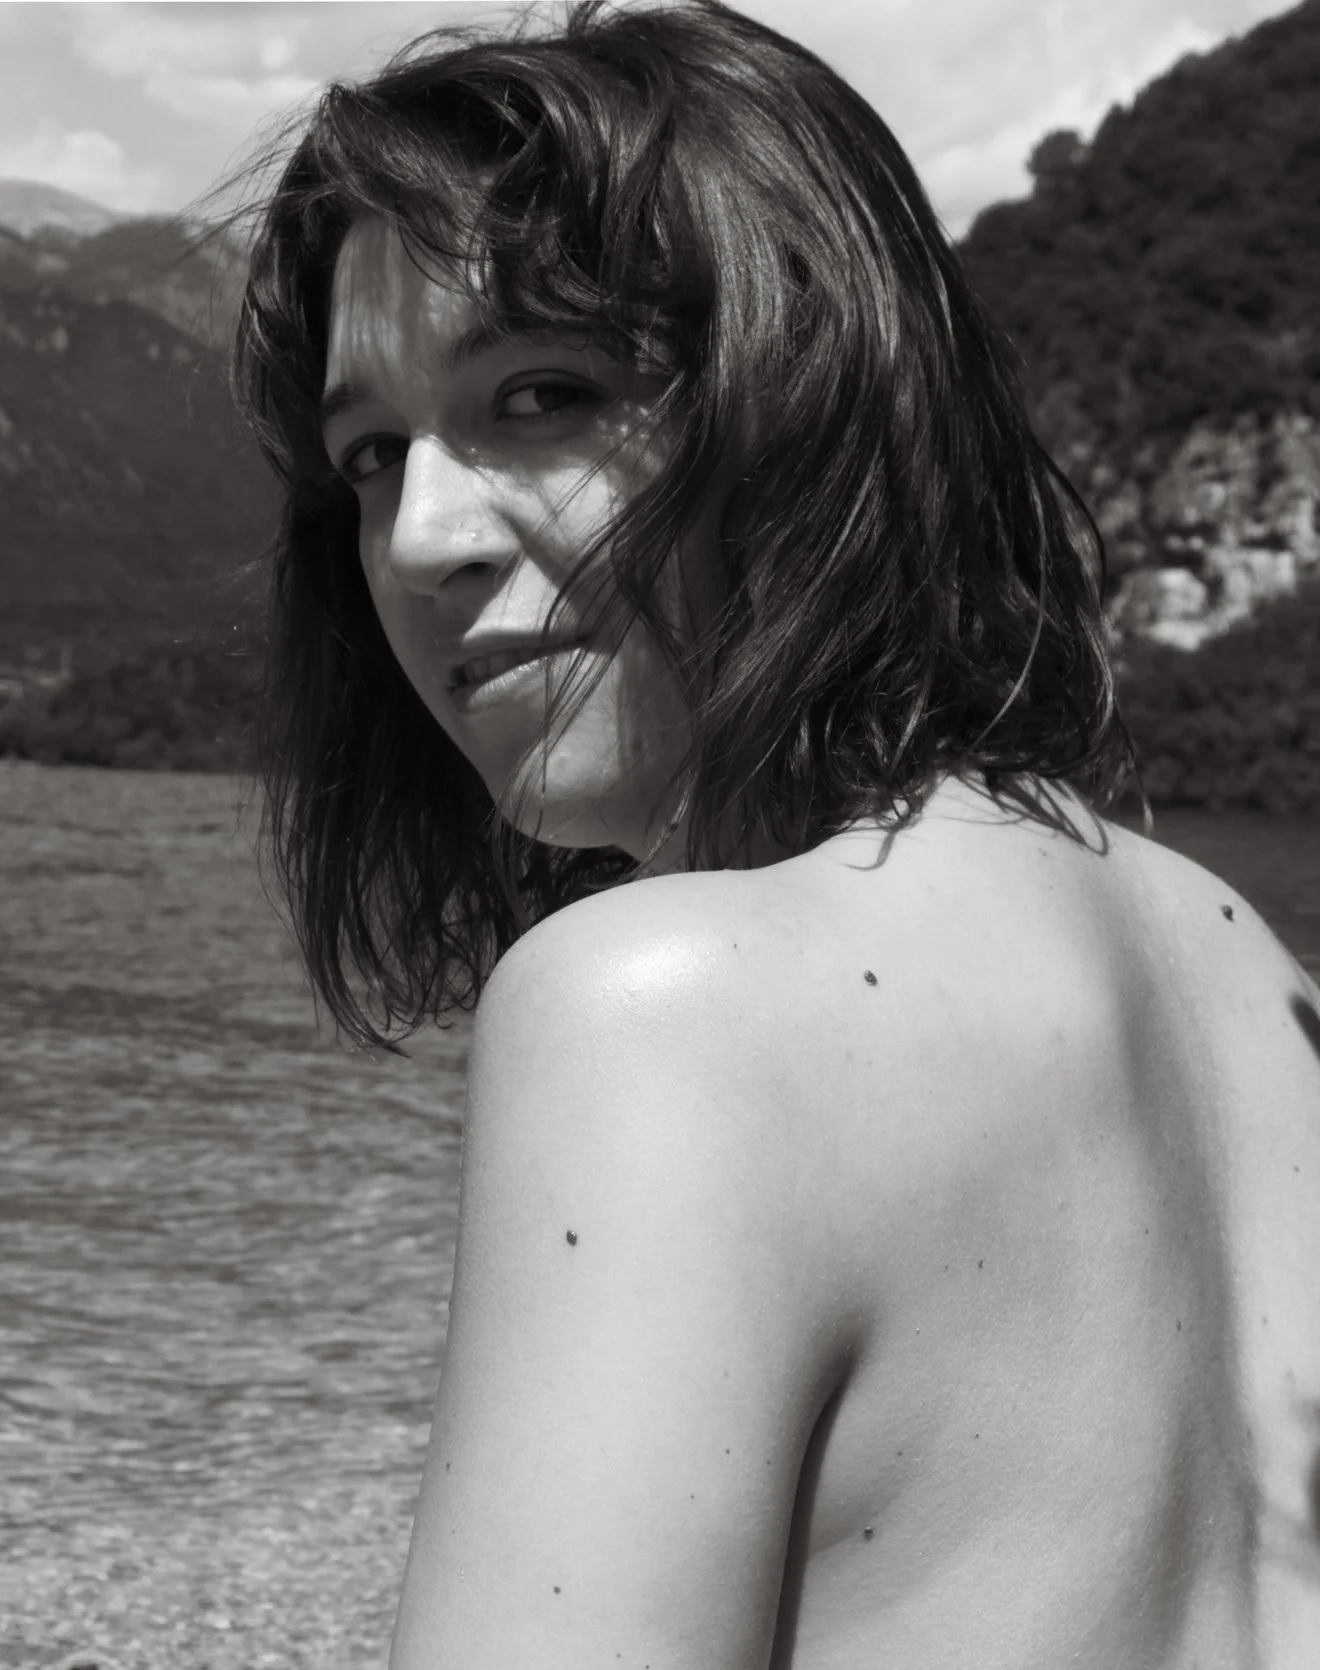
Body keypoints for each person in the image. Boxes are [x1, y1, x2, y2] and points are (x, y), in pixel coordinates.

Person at [231, 2, 1320, 1664]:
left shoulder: (656, 1009)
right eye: (371, 454)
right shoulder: (1245, 970)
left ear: (808, 403)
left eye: (544, 391)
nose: (421, 537)